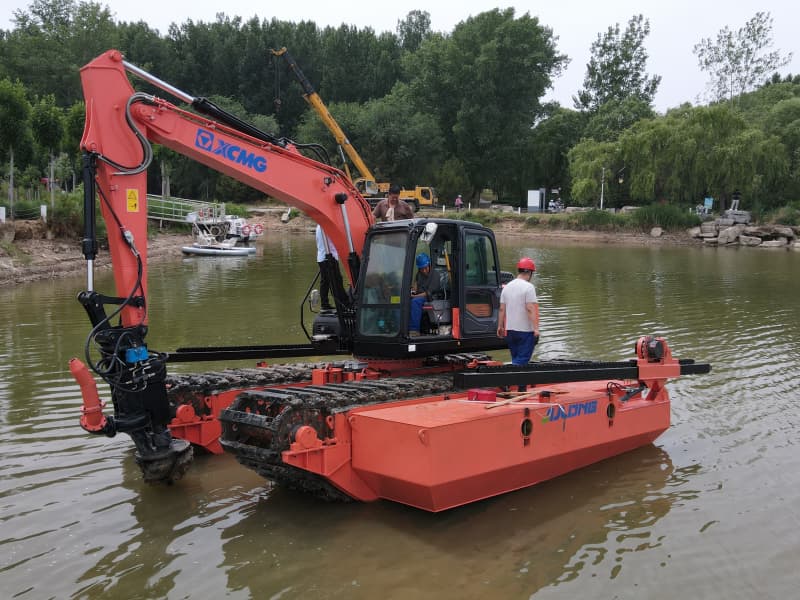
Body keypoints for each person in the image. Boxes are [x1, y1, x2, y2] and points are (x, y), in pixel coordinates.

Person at [497, 257, 540, 366]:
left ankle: (520, 383)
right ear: (529, 272)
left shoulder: (506, 287)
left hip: (510, 331)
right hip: (525, 331)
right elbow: (530, 308)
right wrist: (535, 329)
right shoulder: (529, 287)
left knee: (516, 358)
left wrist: (500, 326)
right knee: (521, 361)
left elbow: (502, 309)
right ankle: (508, 379)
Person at [409, 252, 441, 336]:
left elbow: (428, 293)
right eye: (421, 268)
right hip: (418, 295)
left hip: (430, 297)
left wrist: (414, 296)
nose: (424, 270)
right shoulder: (419, 274)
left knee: (415, 302)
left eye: (425, 268)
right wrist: (412, 290)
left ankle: (414, 330)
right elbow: (415, 285)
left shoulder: (435, 275)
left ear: (429, 264)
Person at [315, 224, 344, 311]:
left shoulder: (319, 226)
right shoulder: (325, 226)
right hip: (328, 257)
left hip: (322, 257)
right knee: (336, 281)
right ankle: (340, 304)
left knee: (326, 282)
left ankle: (325, 304)